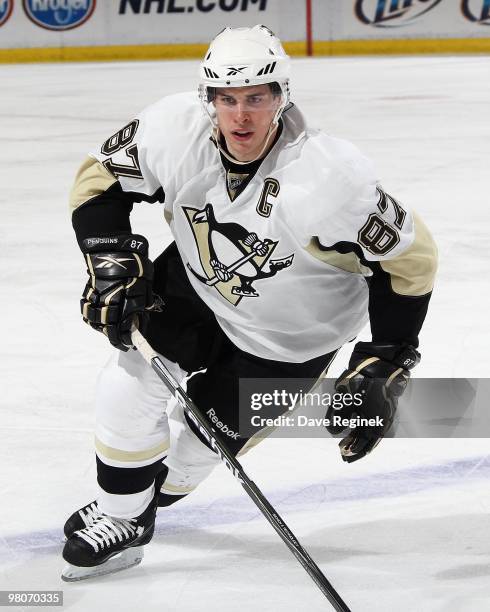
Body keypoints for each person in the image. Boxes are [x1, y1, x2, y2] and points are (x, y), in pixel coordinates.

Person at [62, 25, 437, 580]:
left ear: (282, 98)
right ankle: (124, 517)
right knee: (125, 385)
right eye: (227, 99)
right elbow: (99, 181)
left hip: (291, 338)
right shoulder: (172, 129)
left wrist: (385, 356)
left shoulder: (330, 177)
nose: (241, 116)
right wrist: (111, 257)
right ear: (207, 99)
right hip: (196, 286)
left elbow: (411, 260)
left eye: (257, 99)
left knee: (192, 459)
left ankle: (144, 499)